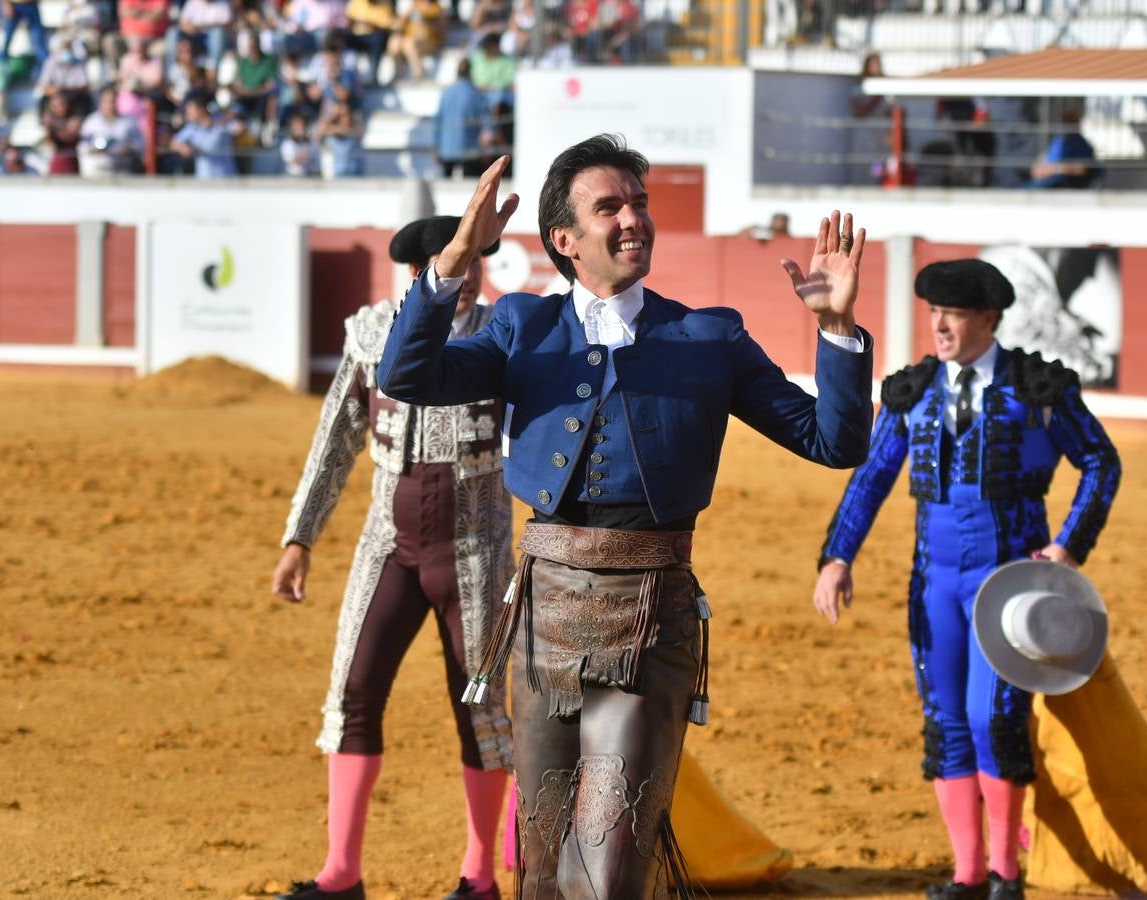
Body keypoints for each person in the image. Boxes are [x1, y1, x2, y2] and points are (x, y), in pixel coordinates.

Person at [376, 134, 876, 899]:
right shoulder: (521, 325)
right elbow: (406, 374)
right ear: (565, 240)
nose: (633, 218)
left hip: (649, 621)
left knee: (606, 872)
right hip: (541, 620)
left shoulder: (710, 335)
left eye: (639, 203)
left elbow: (833, 441)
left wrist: (838, 332)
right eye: (609, 206)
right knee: (542, 873)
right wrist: (454, 261)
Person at [812, 259, 1121, 900]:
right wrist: (838, 557)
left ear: (988, 318)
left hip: (1010, 586)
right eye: (933, 312)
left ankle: (1008, 873)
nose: (941, 324)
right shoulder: (913, 392)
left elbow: (1100, 461)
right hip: (935, 585)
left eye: (953, 313)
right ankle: (969, 873)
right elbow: (871, 478)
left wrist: (1069, 545)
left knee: (992, 721)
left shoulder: (1036, 388)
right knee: (947, 721)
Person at [270, 215, 513, 900]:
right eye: (451, 264)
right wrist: (299, 539)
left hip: (479, 550)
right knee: (352, 694)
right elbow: (334, 441)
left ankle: (480, 877)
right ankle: (340, 873)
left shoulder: (507, 335)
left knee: (484, 711)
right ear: (418, 273)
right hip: (388, 548)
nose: (465, 277)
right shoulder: (372, 334)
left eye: (473, 263)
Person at [433, 58, 489, 177]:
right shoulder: (475, 93)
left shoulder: (446, 93)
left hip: (446, 149)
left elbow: (438, 122)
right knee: (472, 188)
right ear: (470, 72)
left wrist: (436, 147)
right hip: (469, 150)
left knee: (445, 187)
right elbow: (486, 123)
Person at [1027, 102, 1097, 189]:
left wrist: (1055, 169)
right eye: (1064, 120)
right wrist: (1038, 169)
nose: (1066, 123)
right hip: (1044, 180)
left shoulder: (1082, 145)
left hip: (1061, 183)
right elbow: (1043, 159)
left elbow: (1081, 169)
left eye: (1069, 120)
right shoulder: (1058, 140)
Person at [171, 94, 237, 176]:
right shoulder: (192, 127)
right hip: (204, 180)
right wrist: (183, 148)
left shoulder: (220, 121)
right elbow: (174, 143)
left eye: (191, 110)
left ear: (201, 109)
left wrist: (215, 122)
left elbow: (238, 127)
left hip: (226, 178)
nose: (187, 113)